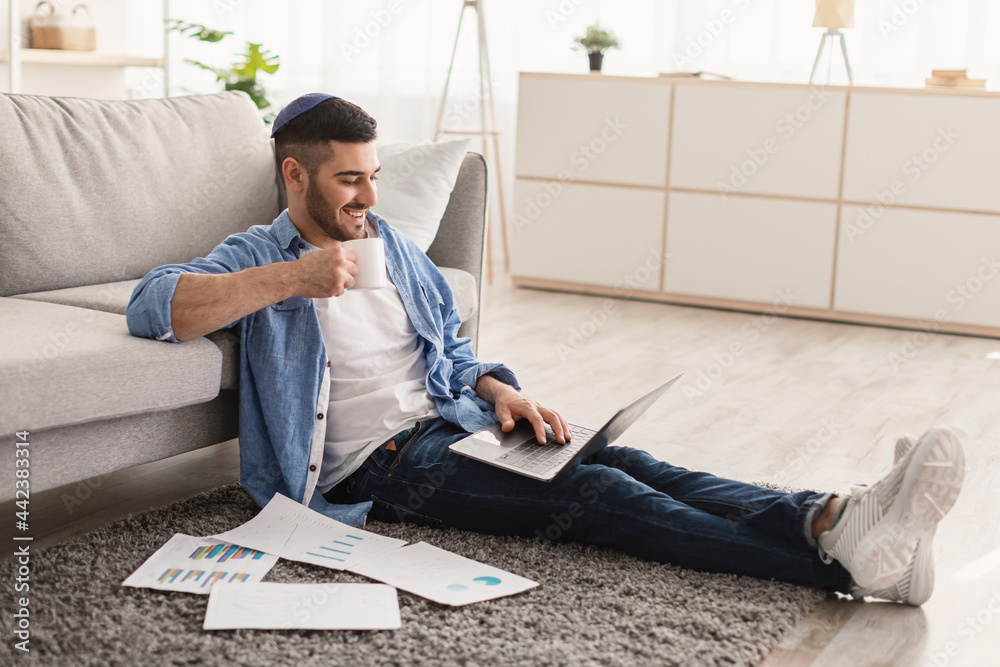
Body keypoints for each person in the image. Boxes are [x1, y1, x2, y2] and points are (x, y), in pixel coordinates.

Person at [127, 93, 965, 607]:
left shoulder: (394, 246)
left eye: (376, 174)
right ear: (295, 177)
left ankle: (834, 517)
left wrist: (497, 391)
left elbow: (450, 350)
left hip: (449, 421)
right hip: (368, 469)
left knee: (632, 460)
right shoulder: (254, 257)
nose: (371, 197)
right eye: (351, 179)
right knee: (598, 492)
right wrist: (292, 279)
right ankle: (851, 567)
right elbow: (153, 305)